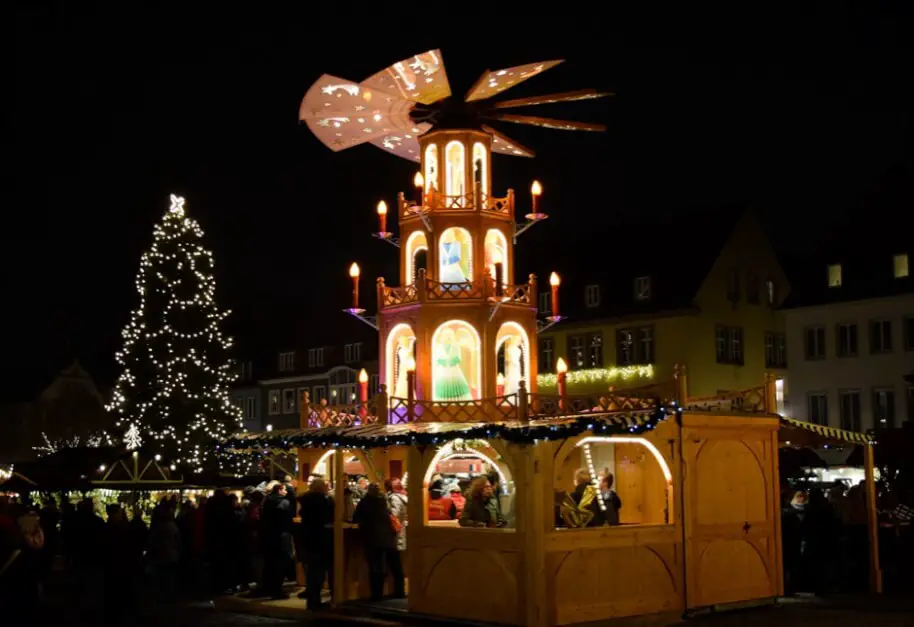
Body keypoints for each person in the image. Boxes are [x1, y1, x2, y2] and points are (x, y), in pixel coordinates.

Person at [353, 484, 396, 601]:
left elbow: (356, 518)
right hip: (384, 538)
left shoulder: (364, 502)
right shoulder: (382, 502)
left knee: (373, 566)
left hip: (370, 537)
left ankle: (374, 594)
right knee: (381, 566)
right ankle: (380, 593)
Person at [297, 478, 334, 610]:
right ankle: (315, 602)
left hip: (308, 539)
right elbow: (328, 516)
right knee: (318, 572)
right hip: (319, 540)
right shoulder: (322, 501)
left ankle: (313, 600)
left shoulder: (305, 500)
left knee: (312, 572)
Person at [261, 479, 297, 599]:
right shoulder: (283, 502)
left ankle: (268, 587)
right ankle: (276, 589)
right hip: (281, 534)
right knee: (281, 563)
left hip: (268, 534)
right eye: (285, 490)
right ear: (280, 490)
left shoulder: (267, 500)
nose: (286, 492)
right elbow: (288, 516)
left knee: (270, 562)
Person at [385, 478, 407, 598]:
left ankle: (399, 591)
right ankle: (399, 590)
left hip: (394, 535)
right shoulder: (402, 497)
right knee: (397, 564)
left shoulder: (394, 498)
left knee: (396, 564)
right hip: (399, 534)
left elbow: (394, 515)